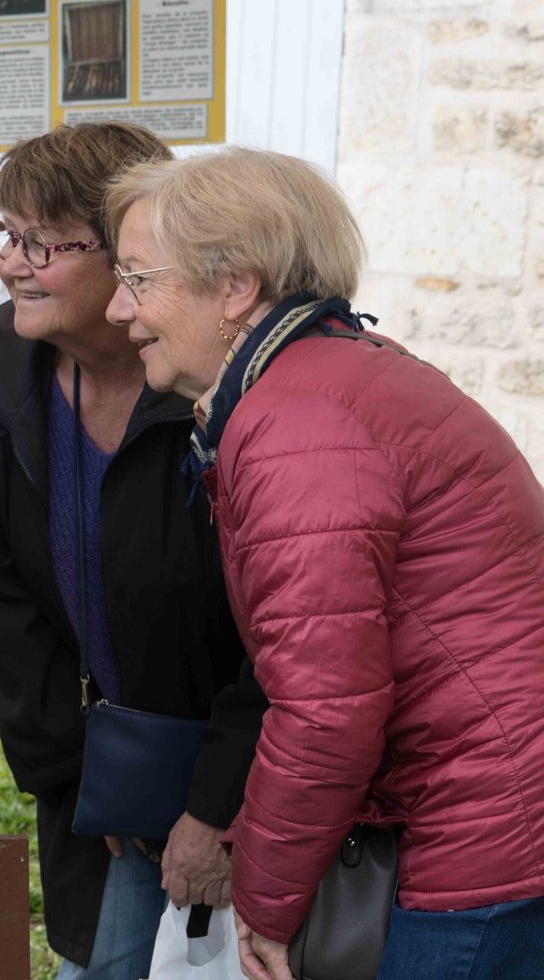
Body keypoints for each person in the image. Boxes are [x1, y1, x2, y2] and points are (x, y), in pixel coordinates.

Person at [104, 147, 544, 980]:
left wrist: (266, 909)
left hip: (488, 822)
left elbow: (325, 711)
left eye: (138, 278)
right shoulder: (338, 372)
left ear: (235, 285)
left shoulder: (295, 422)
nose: (121, 310)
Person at [0, 123, 265, 978]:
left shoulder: (228, 394)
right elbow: (6, 610)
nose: (13, 262)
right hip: (105, 785)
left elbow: (282, 637)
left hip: (258, 768)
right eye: (5, 234)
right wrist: (83, 782)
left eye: (44, 242)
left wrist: (218, 800)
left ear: (129, 254)